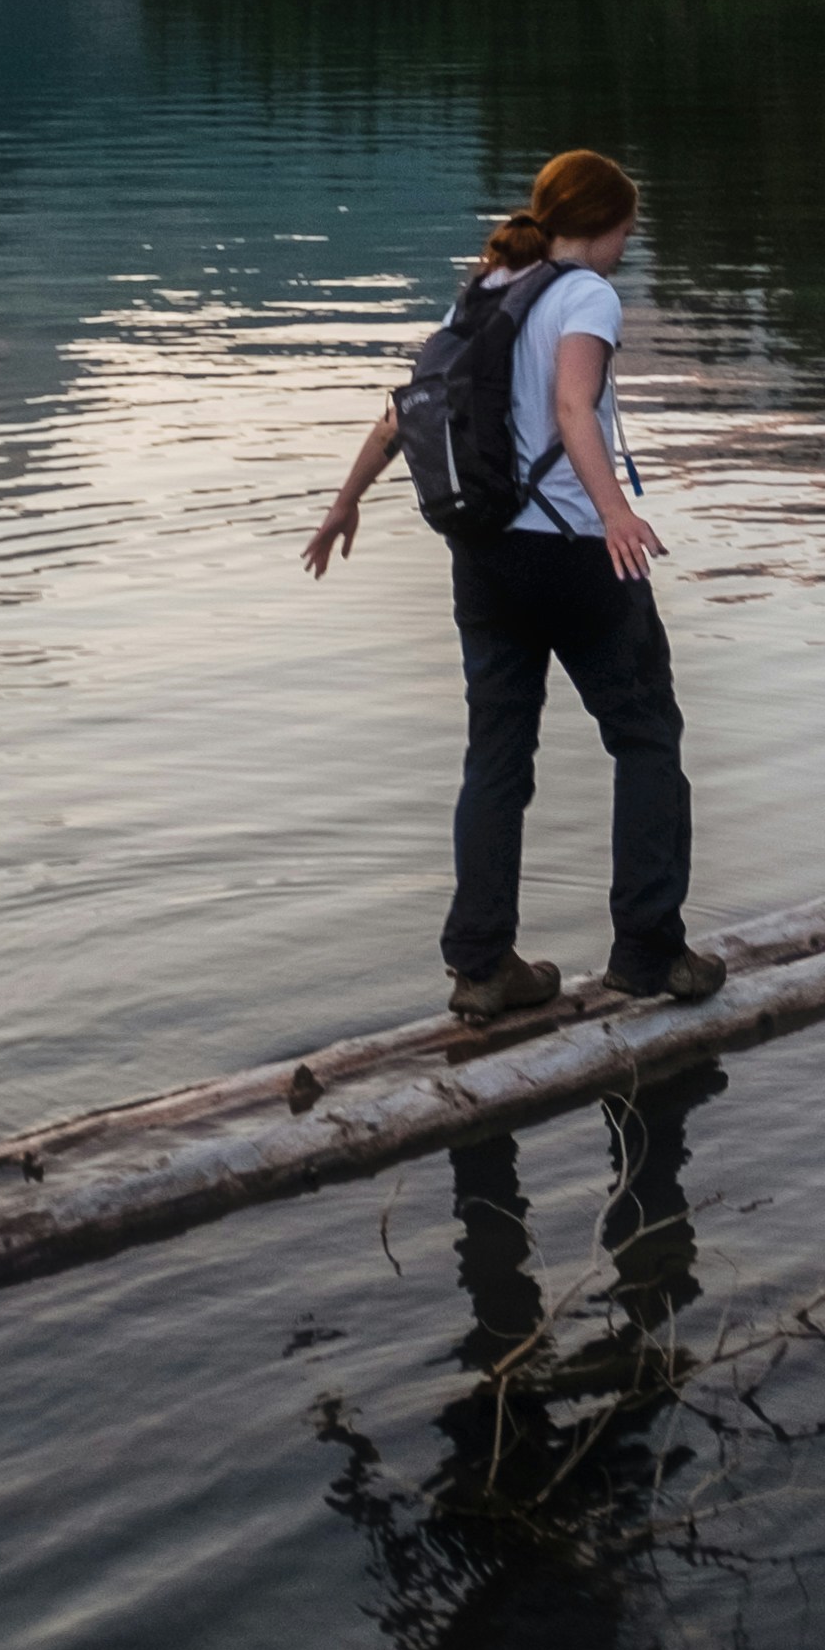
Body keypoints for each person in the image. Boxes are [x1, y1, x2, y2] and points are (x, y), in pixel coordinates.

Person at [304, 144, 727, 1024]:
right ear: (607, 224)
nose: (627, 245)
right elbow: (575, 406)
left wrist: (345, 502)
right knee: (646, 736)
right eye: (627, 229)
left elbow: (405, 408)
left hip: (485, 557)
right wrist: (614, 512)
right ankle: (650, 954)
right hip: (573, 552)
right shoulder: (586, 293)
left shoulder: (486, 288)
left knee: (497, 757)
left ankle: (484, 968)